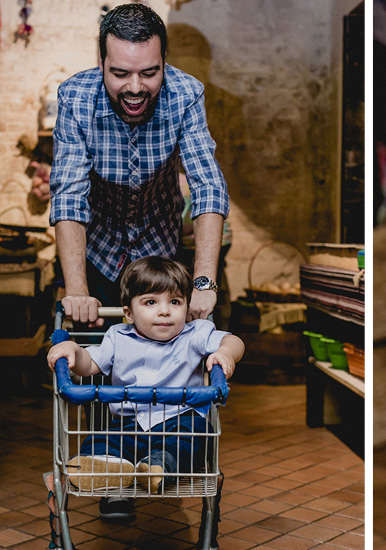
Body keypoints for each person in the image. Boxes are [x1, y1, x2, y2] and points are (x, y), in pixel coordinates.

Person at [50, 3, 229, 326]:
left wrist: (204, 282)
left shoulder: (185, 94)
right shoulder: (75, 98)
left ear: (164, 63)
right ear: (101, 63)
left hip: (160, 255)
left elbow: (208, 186)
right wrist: (77, 290)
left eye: (149, 73)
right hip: (96, 256)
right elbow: (69, 195)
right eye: (120, 74)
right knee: (96, 365)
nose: (135, 88)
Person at [46, 256, 243, 496]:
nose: (164, 311)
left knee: (193, 441)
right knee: (102, 439)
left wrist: (225, 352)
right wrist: (74, 350)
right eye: (150, 302)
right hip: (129, 423)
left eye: (175, 302)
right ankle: (106, 463)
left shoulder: (195, 334)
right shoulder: (117, 336)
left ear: (186, 306)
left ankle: (159, 466)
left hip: (180, 421)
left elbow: (233, 340)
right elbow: (90, 364)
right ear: (129, 313)